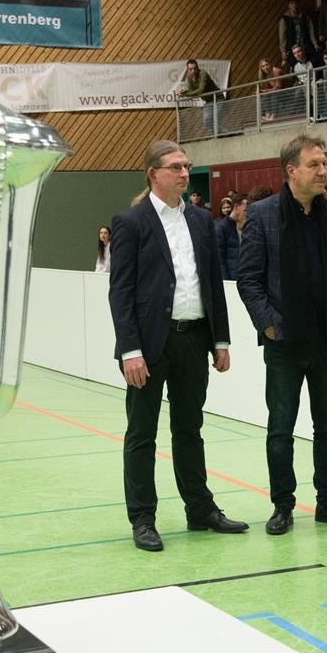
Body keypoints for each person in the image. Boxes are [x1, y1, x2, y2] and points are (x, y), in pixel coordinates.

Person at [108, 140, 246, 552]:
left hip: (194, 339)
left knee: (190, 429)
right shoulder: (130, 222)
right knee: (142, 434)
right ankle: (143, 518)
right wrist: (129, 350)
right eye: (175, 167)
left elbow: (212, 285)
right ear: (153, 174)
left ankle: (199, 509)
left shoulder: (202, 221)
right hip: (149, 347)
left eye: (186, 166)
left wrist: (220, 339)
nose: (184, 173)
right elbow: (121, 292)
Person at [236, 133, 327, 536]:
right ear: (291, 170)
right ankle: (282, 505)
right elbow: (249, 280)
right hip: (284, 343)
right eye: (314, 164)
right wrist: (270, 324)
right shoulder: (261, 215)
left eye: (325, 164)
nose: (323, 171)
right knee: (281, 429)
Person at [177, 59, 220, 133]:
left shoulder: (203, 73)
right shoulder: (189, 77)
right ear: (188, 69)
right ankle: (224, 135)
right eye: (191, 69)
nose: (193, 71)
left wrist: (186, 94)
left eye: (195, 68)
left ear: (197, 67)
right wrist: (185, 92)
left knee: (215, 119)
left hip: (218, 98)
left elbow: (201, 90)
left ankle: (223, 136)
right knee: (207, 121)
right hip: (208, 101)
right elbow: (191, 91)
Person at [216, 192, 247, 280]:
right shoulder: (221, 227)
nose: (247, 213)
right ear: (236, 207)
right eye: (245, 210)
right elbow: (219, 259)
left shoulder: (243, 225)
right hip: (230, 280)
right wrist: (226, 281)